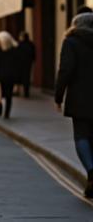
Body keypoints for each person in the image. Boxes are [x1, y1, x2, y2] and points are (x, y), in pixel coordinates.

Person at [55, 13, 93, 198]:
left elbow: (65, 70)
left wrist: (58, 96)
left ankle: (92, 173)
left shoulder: (70, 42)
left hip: (80, 98)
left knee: (81, 136)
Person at [0, 31, 19, 119]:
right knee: (9, 94)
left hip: (0, 76)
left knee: (1, 93)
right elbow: (17, 65)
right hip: (11, 76)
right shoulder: (14, 51)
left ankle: (0, 104)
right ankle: (7, 112)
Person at [17, 32, 35, 98]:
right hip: (28, 63)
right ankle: (26, 92)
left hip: (21, 64)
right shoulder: (31, 44)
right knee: (27, 77)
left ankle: (20, 91)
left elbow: (17, 54)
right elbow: (33, 54)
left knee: (21, 77)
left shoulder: (20, 44)